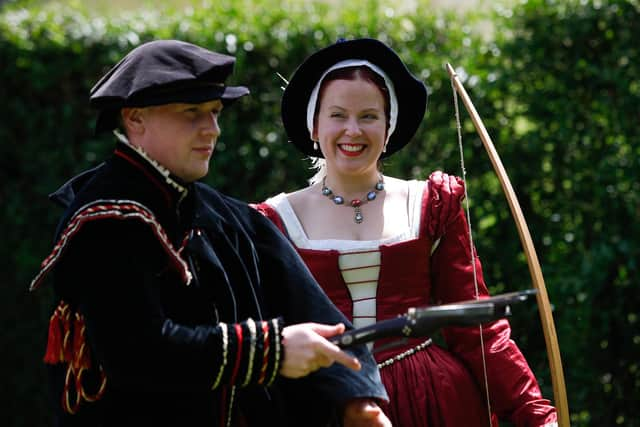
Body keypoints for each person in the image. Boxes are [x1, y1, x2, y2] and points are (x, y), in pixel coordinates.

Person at [29, 39, 391, 427]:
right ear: (135, 118)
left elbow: (306, 305)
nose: (212, 129)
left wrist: (355, 397)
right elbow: (138, 353)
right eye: (192, 113)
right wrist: (271, 352)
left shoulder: (223, 215)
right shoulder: (104, 221)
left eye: (215, 112)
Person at [253, 38, 559, 426]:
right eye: (337, 115)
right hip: (323, 405)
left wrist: (535, 414)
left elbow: (478, 329)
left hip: (431, 402)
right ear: (314, 125)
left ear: (389, 125)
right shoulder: (273, 221)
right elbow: (262, 340)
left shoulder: (430, 205)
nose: (353, 130)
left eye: (368, 116)